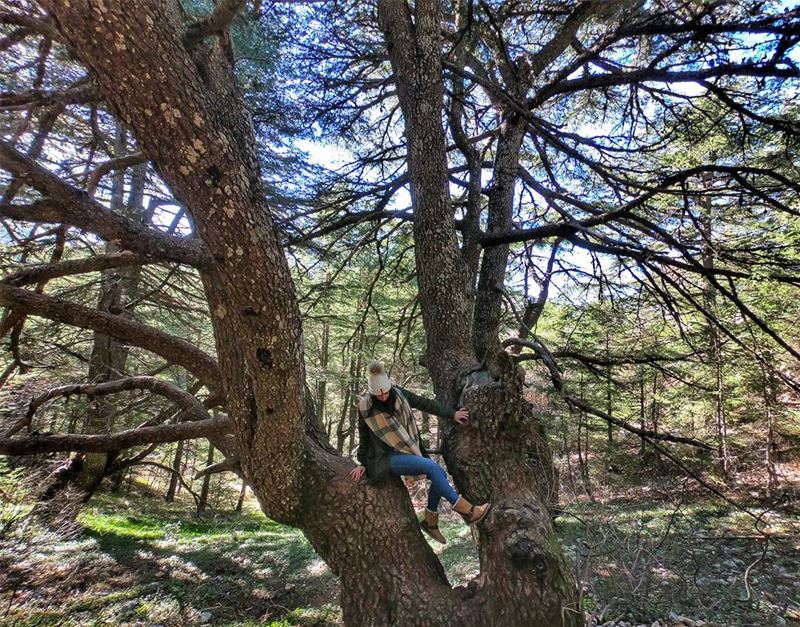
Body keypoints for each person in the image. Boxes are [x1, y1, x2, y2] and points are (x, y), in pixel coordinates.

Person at [349, 361, 490, 544]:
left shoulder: (400, 395)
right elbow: (365, 437)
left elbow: (425, 404)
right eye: (378, 394)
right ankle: (469, 512)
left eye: (385, 392)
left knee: (437, 471)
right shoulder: (366, 407)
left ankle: (430, 521)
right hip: (385, 458)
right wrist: (362, 463)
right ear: (372, 393)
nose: (383, 397)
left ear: (389, 387)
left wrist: (452, 414)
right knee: (433, 468)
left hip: (406, 451)